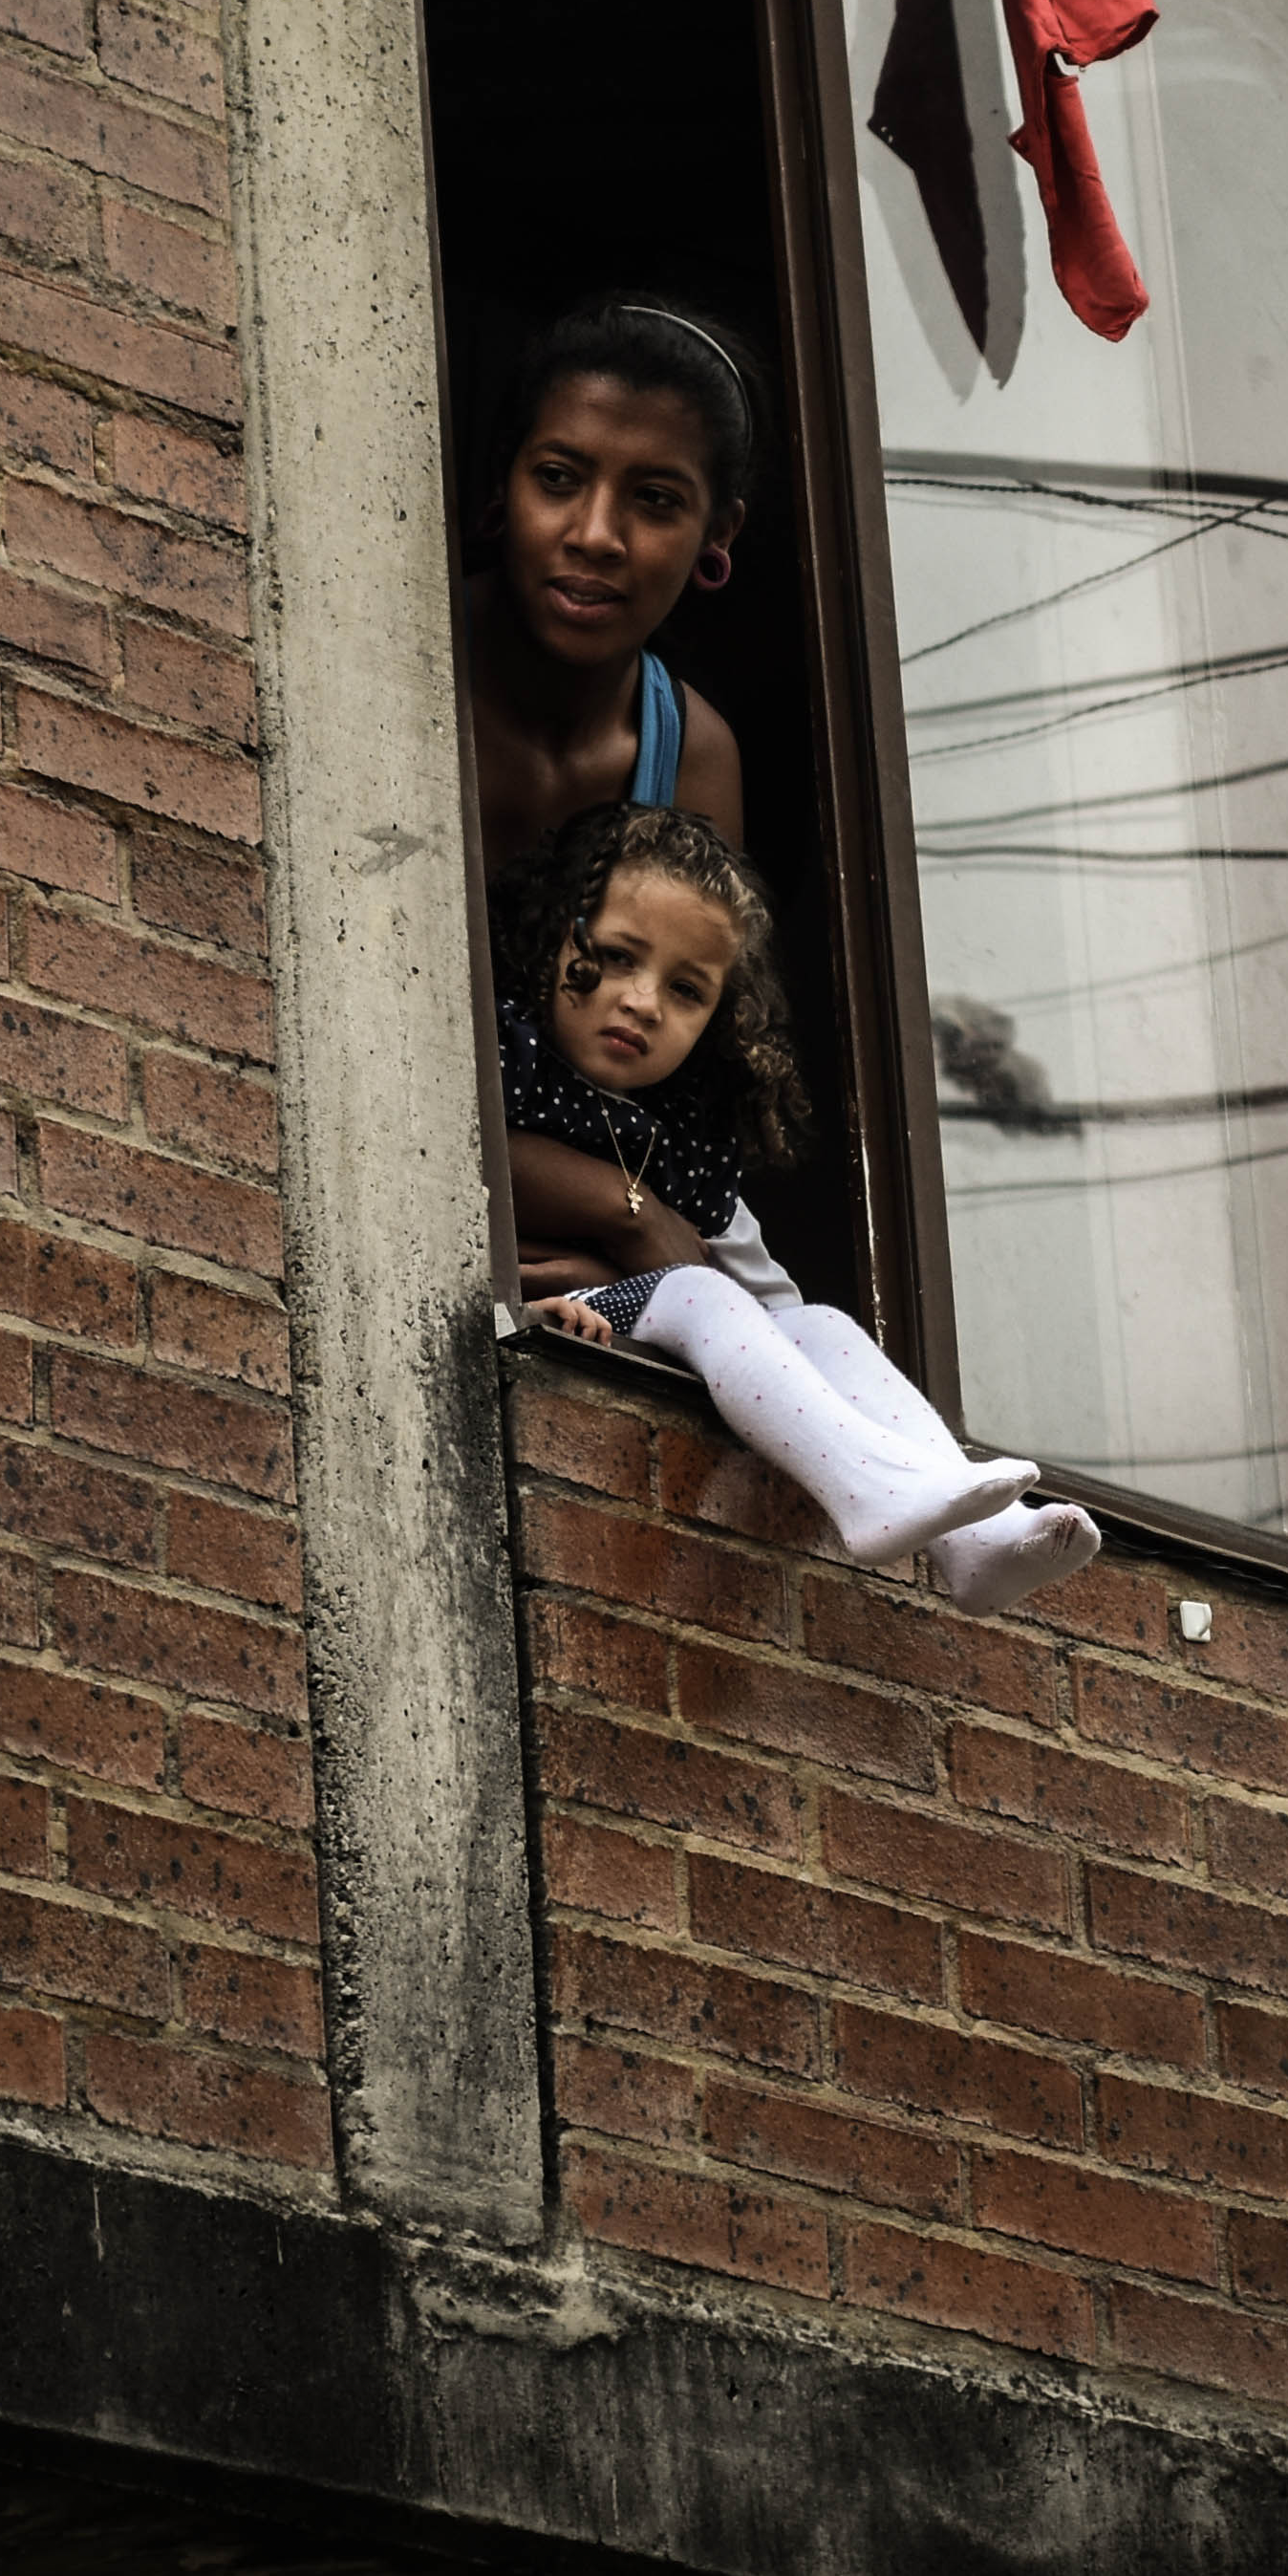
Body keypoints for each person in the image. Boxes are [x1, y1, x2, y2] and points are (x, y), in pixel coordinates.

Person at [500, 801, 1104, 1614]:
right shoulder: (506, 1056)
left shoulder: (683, 1137)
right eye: (615, 957)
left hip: (619, 1310)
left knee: (820, 1325)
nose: (643, 1002)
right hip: (530, 1321)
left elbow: (773, 1302)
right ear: (554, 934)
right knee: (700, 1291)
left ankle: (976, 1540)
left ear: (719, 1018)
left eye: (686, 990)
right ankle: (865, 1487)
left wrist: (788, 1331)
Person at [464, 296, 757, 864]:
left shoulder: (691, 760)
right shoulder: (403, 666)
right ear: (504, 479)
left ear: (717, 532)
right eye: (557, 478)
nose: (596, 536)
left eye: (654, 499)